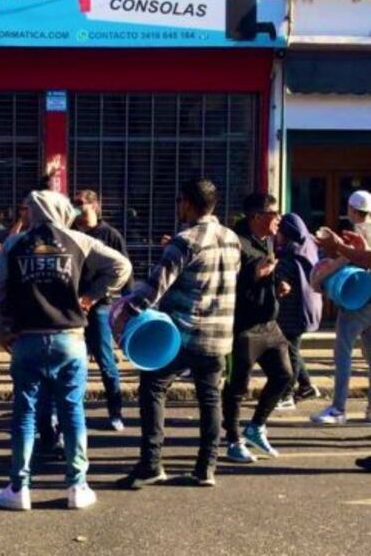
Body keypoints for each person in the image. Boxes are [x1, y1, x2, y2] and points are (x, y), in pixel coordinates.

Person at [0, 189, 131, 511]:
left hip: (27, 338)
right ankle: (77, 486)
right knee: (72, 410)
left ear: (33, 212)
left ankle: (18, 488)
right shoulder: (79, 240)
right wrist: (91, 296)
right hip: (70, 337)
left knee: (26, 412)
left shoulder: (14, 244)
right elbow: (121, 266)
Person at [115, 179, 242, 489]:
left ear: (186, 203)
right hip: (220, 334)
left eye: (179, 202)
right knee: (210, 398)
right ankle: (206, 468)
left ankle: (151, 463)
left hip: (184, 333)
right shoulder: (231, 238)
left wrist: (125, 310)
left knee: (153, 386)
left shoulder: (185, 241)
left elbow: (156, 286)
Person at [221, 193, 293, 462]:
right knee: (237, 387)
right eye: (275, 213)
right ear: (257, 216)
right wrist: (253, 275)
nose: (279, 219)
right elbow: (226, 281)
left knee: (285, 375)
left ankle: (256, 427)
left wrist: (277, 285)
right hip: (243, 327)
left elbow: (267, 274)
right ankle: (233, 440)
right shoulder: (235, 243)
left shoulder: (267, 241)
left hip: (269, 324)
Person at [72, 189, 133, 431]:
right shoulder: (71, 234)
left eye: (80, 204)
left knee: (105, 360)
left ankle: (115, 411)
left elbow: (125, 271)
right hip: (73, 304)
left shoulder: (110, 235)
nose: (76, 209)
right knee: (74, 362)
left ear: (94, 206)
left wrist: (128, 307)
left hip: (100, 304)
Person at [312, 190, 371, 425]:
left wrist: (318, 280)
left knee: (343, 353)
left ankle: (338, 408)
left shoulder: (357, 232)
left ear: (351, 209)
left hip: (356, 300)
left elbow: (346, 260)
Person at [273, 213, 322, 409]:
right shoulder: (307, 244)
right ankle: (307, 386)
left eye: (279, 231)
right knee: (292, 348)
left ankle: (287, 395)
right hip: (307, 306)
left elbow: (279, 278)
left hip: (294, 311)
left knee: (289, 352)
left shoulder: (290, 253)